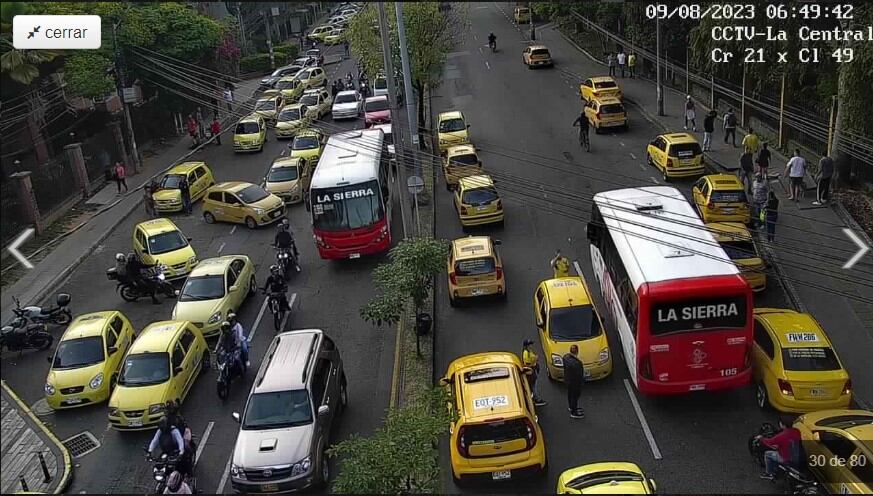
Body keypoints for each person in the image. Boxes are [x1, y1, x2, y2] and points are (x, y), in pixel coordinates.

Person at [521, 339, 547, 406]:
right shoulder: (526, 353)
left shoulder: (529, 351)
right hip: (531, 371)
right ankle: (536, 399)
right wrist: (534, 362)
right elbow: (526, 363)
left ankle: (533, 398)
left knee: (533, 385)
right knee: (533, 386)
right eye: (530, 344)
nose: (531, 345)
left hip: (533, 370)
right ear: (527, 345)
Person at [563, 345, 585, 419]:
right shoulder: (577, 363)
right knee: (575, 397)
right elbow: (579, 375)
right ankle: (574, 412)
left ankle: (571, 407)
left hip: (568, 380)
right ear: (577, 351)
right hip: (575, 383)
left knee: (570, 394)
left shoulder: (565, 357)